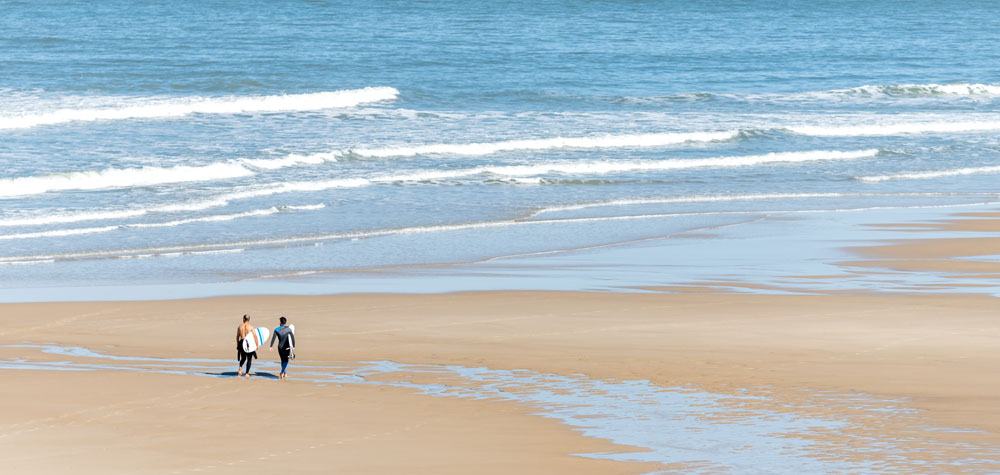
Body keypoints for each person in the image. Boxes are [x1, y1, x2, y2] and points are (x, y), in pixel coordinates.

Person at [269, 316, 296, 380]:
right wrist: (293, 346)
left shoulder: (276, 329)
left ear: (280, 322)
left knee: (282, 360)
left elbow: (273, 338)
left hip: (280, 347)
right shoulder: (289, 329)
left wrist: (271, 346)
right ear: (285, 322)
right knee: (286, 360)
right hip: (286, 347)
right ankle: (282, 372)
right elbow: (292, 338)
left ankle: (285, 373)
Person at [236, 314, 260, 379]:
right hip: (249, 343)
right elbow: (255, 336)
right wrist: (256, 345)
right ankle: (247, 373)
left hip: (242, 342)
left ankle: (240, 367)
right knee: (249, 359)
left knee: (243, 358)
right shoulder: (251, 327)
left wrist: (238, 345)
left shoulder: (240, 326)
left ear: (243, 319)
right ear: (249, 319)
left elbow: (237, 336)